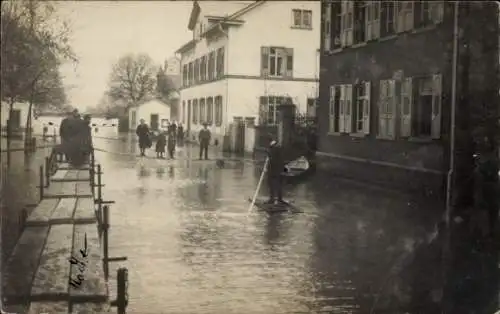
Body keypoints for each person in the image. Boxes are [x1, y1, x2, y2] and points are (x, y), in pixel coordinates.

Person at [265, 140, 286, 205]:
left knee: (271, 185)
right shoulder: (280, 149)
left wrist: (268, 154)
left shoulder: (273, 150)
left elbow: (272, 160)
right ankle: (280, 199)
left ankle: (272, 199)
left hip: (273, 171)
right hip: (280, 171)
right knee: (279, 185)